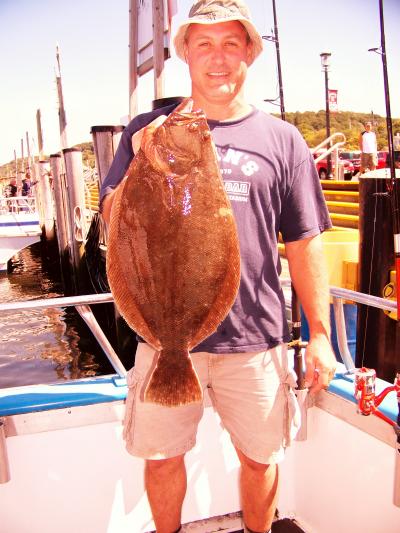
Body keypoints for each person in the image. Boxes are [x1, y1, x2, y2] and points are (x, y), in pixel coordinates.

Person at [100, 1, 337, 532]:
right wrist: (143, 160)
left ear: (250, 52)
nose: (218, 58)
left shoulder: (283, 140)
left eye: (231, 43)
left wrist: (319, 334)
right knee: (161, 457)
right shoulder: (146, 130)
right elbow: (112, 220)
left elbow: (304, 244)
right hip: (163, 339)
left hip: (255, 339)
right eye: (203, 44)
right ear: (185, 52)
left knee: (261, 457)